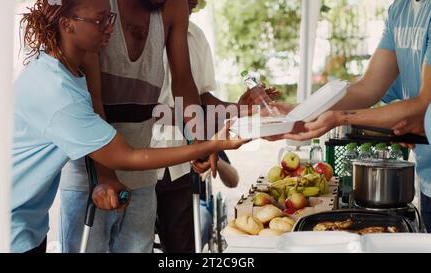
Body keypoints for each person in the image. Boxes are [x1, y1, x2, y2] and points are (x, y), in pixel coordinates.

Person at [12, 0, 247, 253]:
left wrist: (198, 140)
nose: (108, 28)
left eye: (108, 21)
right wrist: (105, 175)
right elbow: (97, 108)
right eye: (102, 21)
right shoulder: (64, 76)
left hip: (132, 165)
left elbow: (183, 79)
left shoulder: (69, 70)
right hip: (92, 164)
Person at [269, 0, 431, 231]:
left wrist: (339, 118)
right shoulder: (400, 9)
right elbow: (367, 88)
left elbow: (423, 105)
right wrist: (299, 110)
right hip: (427, 173)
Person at [152, 0, 278, 253]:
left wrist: (241, 108)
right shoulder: (141, 26)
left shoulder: (195, 36)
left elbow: (201, 98)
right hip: (141, 157)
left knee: (181, 249)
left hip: (181, 163)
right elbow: (153, 110)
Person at [198, 151, 238, 248]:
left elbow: (233, 181)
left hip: (199, 204)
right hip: (165, 203)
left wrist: (216, 160)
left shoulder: (204, 137)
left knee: (201, 223)